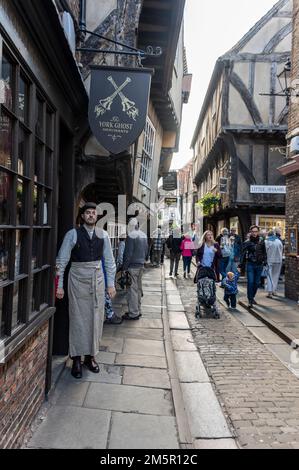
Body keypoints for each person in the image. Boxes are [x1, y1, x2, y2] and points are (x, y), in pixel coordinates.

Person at [56, 203, 116, 379]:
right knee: (78, 318)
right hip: (77, 280)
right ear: (82, 216)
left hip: (97, 280)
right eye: (87, 213)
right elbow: (61, 261)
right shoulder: (72, 234)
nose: (91, 215)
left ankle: (90, 357)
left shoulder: (103, 235)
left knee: (96, 318)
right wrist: (58, 286)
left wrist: (110, 284)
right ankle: (76, 358)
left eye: (93, 213)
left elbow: (109, 262)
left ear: (96, 216)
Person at [123, 218, 148, 320]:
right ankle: (138, 309)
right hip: (141, 265)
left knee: (132, 290)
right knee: (138, 289)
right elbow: (146, 250)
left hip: (132, 266)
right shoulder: (143, 235)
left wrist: (124, 267)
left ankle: (133, 313)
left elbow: (128, 254)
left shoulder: (131, 236)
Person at [239, 225, 267, 308]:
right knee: (250, 282)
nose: (254, 233)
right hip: (250, 264)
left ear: (258, 232)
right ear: (250, 232)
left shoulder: (262, 241)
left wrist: (265, 261)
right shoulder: (247, 242)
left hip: (259, 265)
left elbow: (264, 252)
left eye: (256, 231)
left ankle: (252, 297)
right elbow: (243, 254)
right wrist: (240, 265)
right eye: (253, 231)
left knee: (257, 283)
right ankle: (250, 300)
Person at [264, 229, 283, 298]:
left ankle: (270, 292)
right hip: (278, 260)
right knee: (276, 276)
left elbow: (265, 252)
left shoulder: (266, 241)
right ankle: (274, 290)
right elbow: (281, 250)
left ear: (268, 235)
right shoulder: (279, 241)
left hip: (270, 260)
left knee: (269, 276)